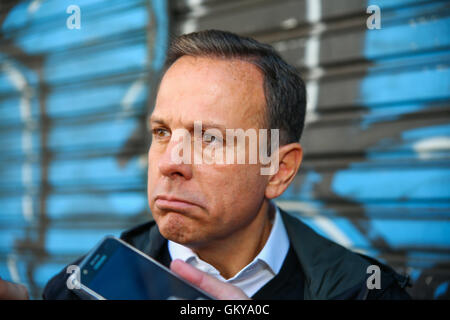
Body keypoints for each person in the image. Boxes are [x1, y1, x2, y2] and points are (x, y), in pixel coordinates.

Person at [0, 30, 411, 300]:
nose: (170, 164)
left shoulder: (366, 292)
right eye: (162, 132)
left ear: (279, 169)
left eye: (210, 138)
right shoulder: (81, 287)